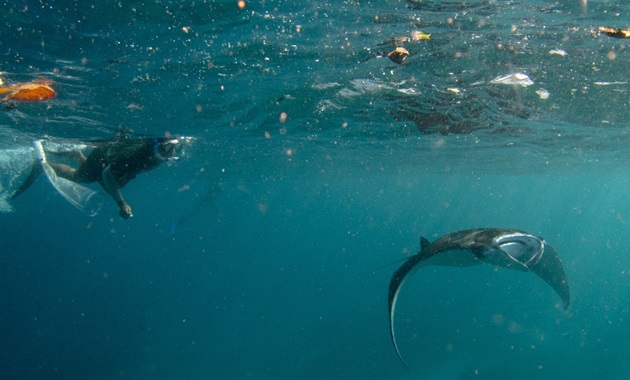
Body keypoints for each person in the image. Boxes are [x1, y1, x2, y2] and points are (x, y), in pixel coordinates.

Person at [12, 136, 183, 219]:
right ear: (160, 146)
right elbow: (107, 174)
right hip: (103, 157)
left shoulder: (156, 157)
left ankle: (78, 156)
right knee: (80, 177)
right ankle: (43, 166)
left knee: (115, 183)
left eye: (176, 148)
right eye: (169, 148)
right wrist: (121, 203)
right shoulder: (138, 156)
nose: (172, 153)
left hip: (108, 160)